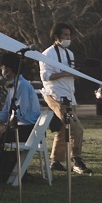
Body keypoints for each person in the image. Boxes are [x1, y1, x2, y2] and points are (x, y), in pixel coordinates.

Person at [38, 23, 91, 175]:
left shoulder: (70, 53)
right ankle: (77, 160)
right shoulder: (47, 54)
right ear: (57, 37)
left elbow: (70, 74)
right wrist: (66, 72)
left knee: (63, 128)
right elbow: (46, 76)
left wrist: (74, 73)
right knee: (76, 128)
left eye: (69, 35)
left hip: (69, 96)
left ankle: (55, 160)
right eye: (65, 35)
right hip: (55, 96)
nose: (68, 38)